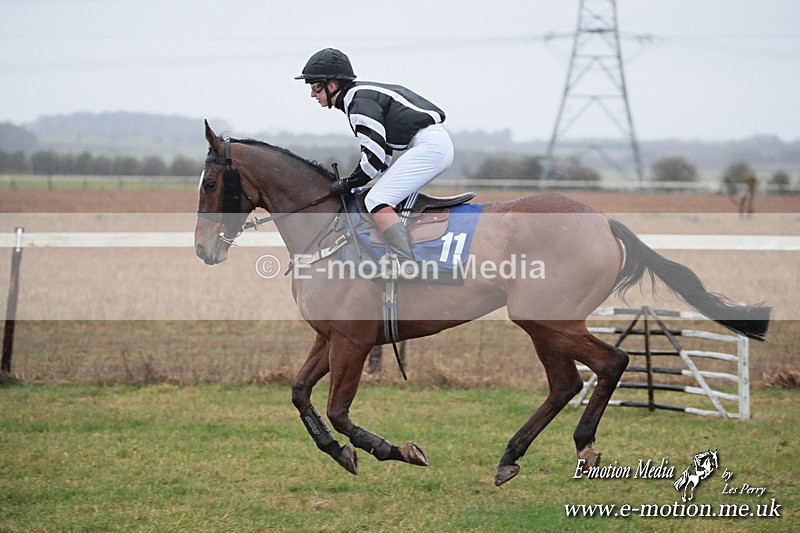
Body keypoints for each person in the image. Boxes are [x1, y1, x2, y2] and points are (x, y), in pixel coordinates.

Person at [295, 48, 454, 262]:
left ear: (331, 85)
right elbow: (384, 154)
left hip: (430, 146)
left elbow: (374, 156)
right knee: (376, 195)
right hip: (430, 144)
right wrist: (355, 180)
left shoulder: (358, 102)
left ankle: (404, 262)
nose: (312, 94)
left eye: (315, 87)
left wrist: (350, 182)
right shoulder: (358, 97)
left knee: (376, 200)